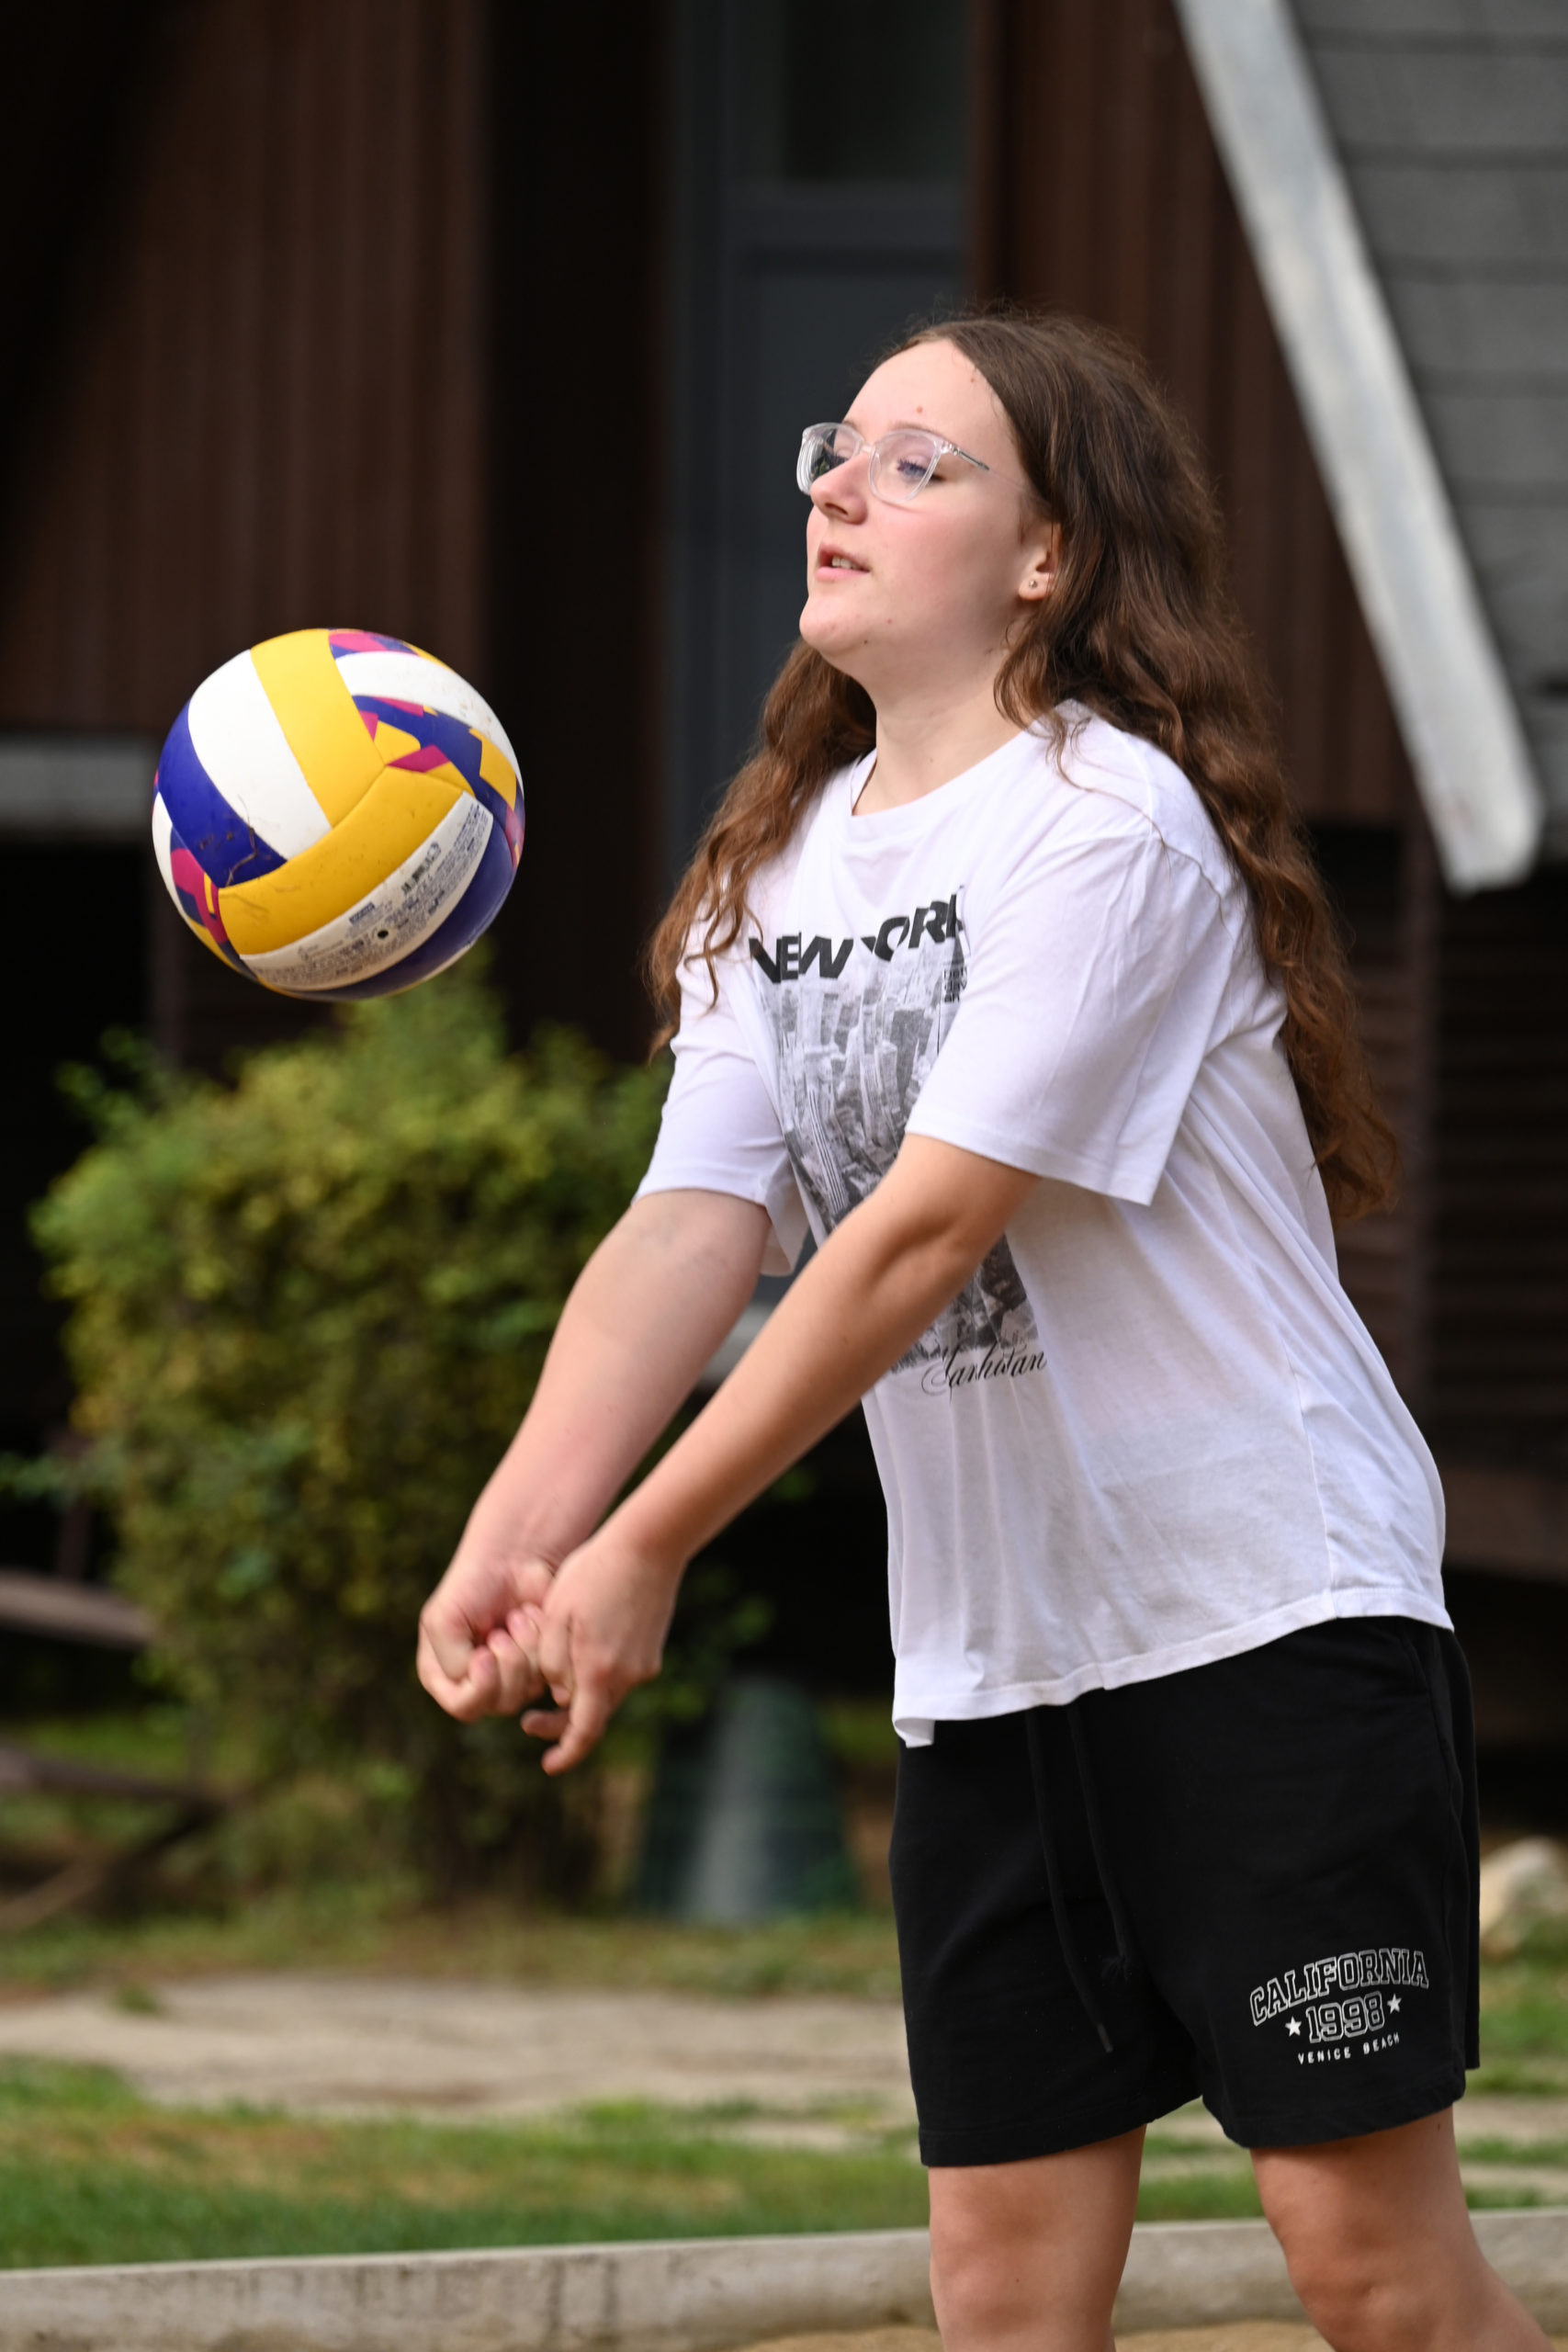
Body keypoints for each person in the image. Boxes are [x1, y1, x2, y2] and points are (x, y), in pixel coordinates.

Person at [417, 311, 1545, 2352]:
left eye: (919, 463)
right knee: (1000, 2295)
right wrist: (525, 1527)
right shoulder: (778, 862)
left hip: (1265, 1621)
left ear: (1048, 557)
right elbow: (688, 1225)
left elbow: (921, 1235)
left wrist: (648, 1542)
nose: (842, 488)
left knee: (1370, 2272)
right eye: (838, 447)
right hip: (996, 1663)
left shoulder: (1107, 824)